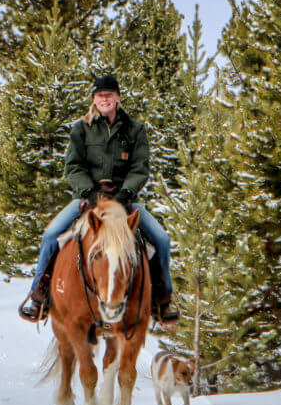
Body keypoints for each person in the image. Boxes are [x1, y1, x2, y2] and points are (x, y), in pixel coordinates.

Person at [18, 74, 178, 324]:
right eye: (100, 95)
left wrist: (126, 192)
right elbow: (73, 166)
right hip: (87, 201)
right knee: (50, 236)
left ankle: (162, 298)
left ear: (118, 98)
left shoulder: (135, 129)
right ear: (94, 99)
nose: (105, 99)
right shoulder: (81, 129)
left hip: (124, 201)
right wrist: (89, 192)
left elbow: (140, 167)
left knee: (161, 239)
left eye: (109, 95)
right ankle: (39, 296)